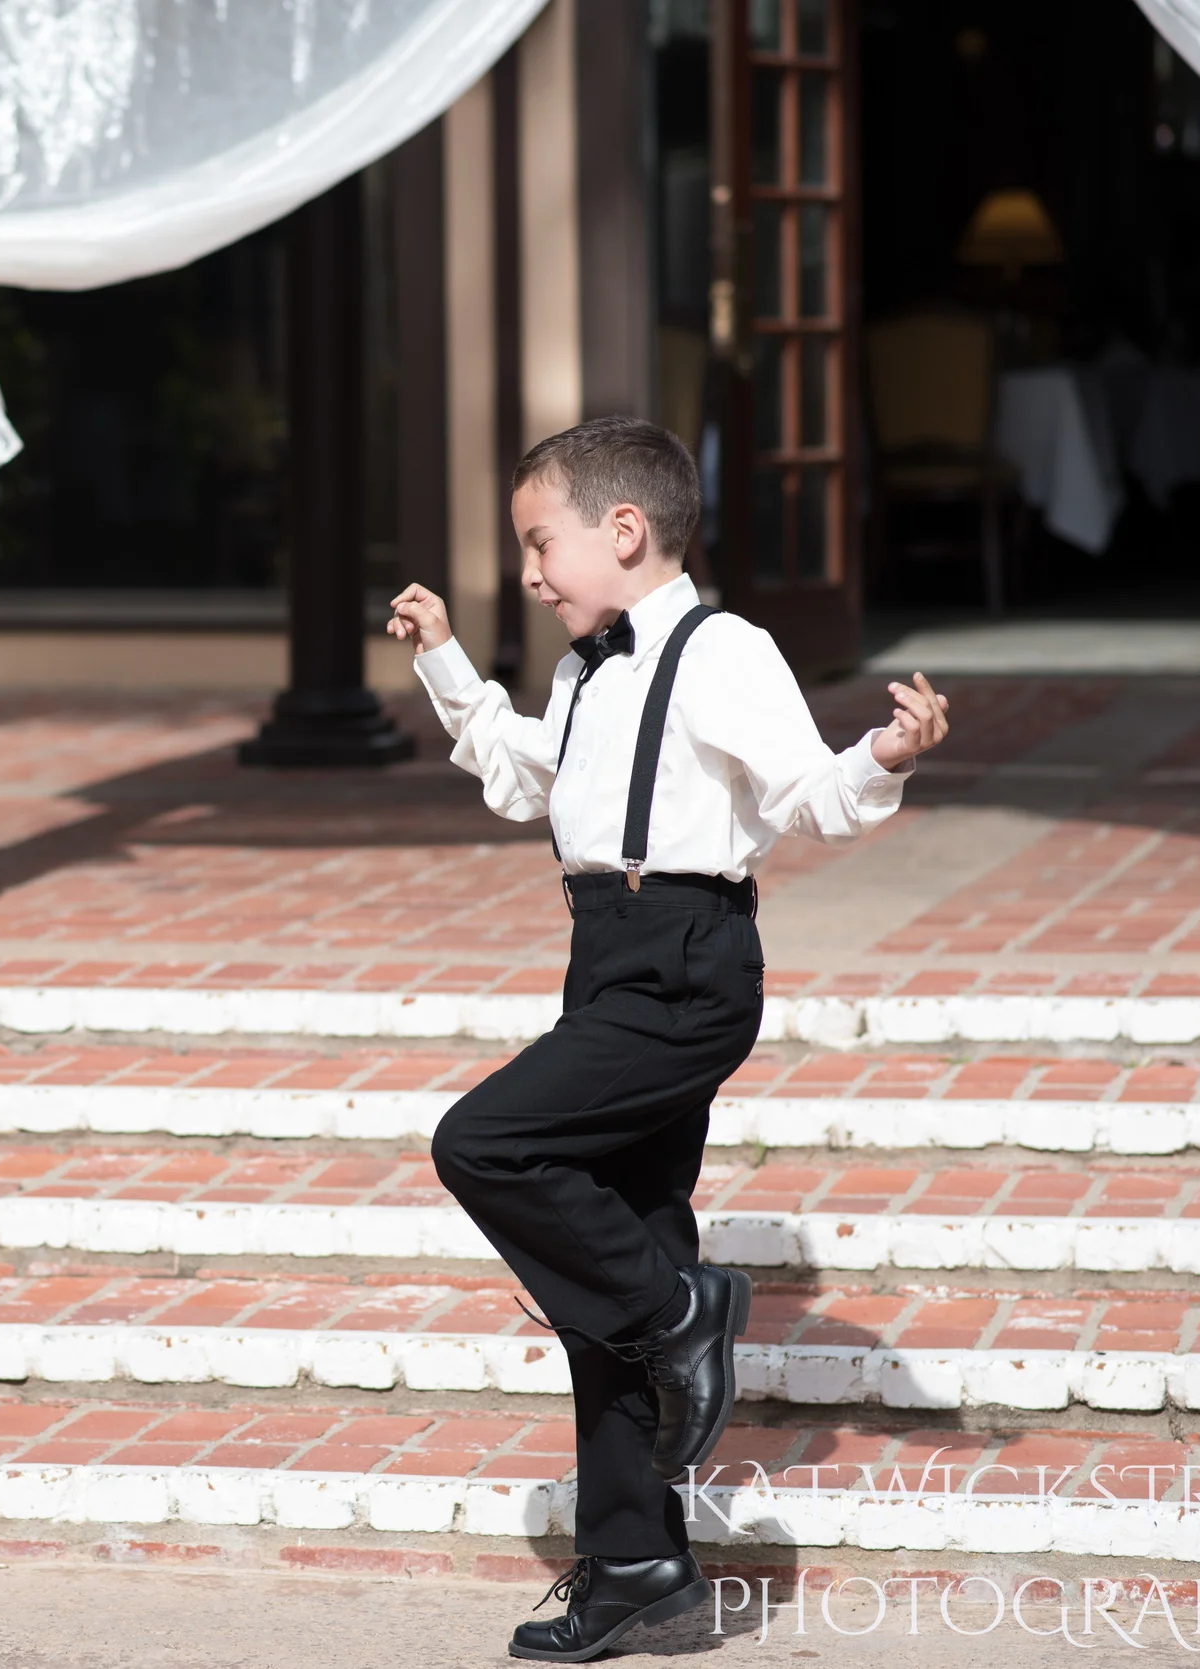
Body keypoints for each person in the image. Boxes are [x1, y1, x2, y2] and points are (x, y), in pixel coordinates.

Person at [386, 417, 949, 1663]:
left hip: (687, 966)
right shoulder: (586, 665)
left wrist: (884, 756)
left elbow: (805, 792)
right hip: (603, 957)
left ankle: (686, 1309)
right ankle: (639, 1564)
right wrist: (445, 664)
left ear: (623, 531)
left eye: (542, 544)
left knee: (482, 1141)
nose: (530, 573)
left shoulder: (723, 648)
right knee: (612, 1274)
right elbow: (532, 778)